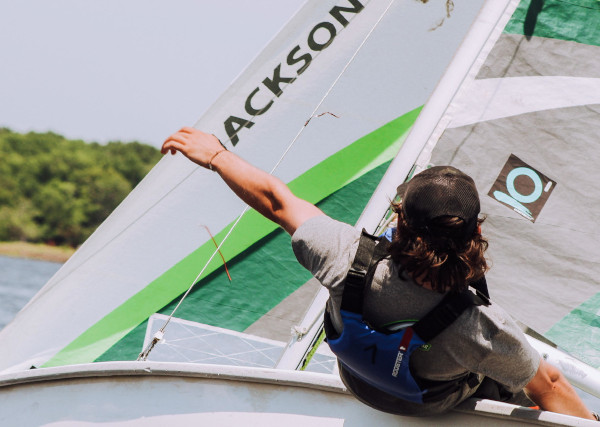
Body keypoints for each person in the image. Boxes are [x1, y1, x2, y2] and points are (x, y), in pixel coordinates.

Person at [161, 127, 596, 420]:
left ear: (400, 220)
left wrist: (216, 155)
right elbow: (551, 384)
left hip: (359, 383)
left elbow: (277, 201)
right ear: (476, 232)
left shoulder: (340, 254)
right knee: (524, 385)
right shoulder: (484, 329)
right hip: (427, 406)